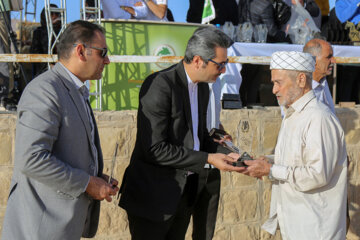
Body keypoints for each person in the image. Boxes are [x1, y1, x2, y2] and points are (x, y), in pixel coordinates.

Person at [119, 26, 242, 240]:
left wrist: (229, 152)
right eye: (220, 64)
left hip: (184, 195)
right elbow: (155, 149)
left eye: (226, 64)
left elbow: (197, 137)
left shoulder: (202, 87)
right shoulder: (160, 85)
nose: (223, 70)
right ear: (197, 60)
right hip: (153, 198)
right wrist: (208, 158)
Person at [1, 20, 119, 240]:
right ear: (81, 51)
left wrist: (96, 177)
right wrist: (87, 183)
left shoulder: (75, 90)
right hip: (40, 229)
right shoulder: (45, 91)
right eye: (102, 53)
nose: (107, 60)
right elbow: (32, 159)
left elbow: (64, 152)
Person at [240, 51, 347, 239]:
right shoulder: (293, 115)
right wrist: (266, 162)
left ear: (301, 80)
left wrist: (271, 170)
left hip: (316, 229)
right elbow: (297, 158)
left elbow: (317, 174)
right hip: (296, 224)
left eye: (278, 83)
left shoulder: (318, 118)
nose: (273, 90)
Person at [303, 38, 336, 113]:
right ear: (314, 60)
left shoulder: (323, 81)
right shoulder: (300, 91)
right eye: (328, 57)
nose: (334, 61)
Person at [30, 4, 61, 77]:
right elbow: (35, 51)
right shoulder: (39, 32)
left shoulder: (64, 31)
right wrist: (47, 65)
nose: (54, 16)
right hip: (43, 72)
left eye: (56, 13)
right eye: (51, 14)